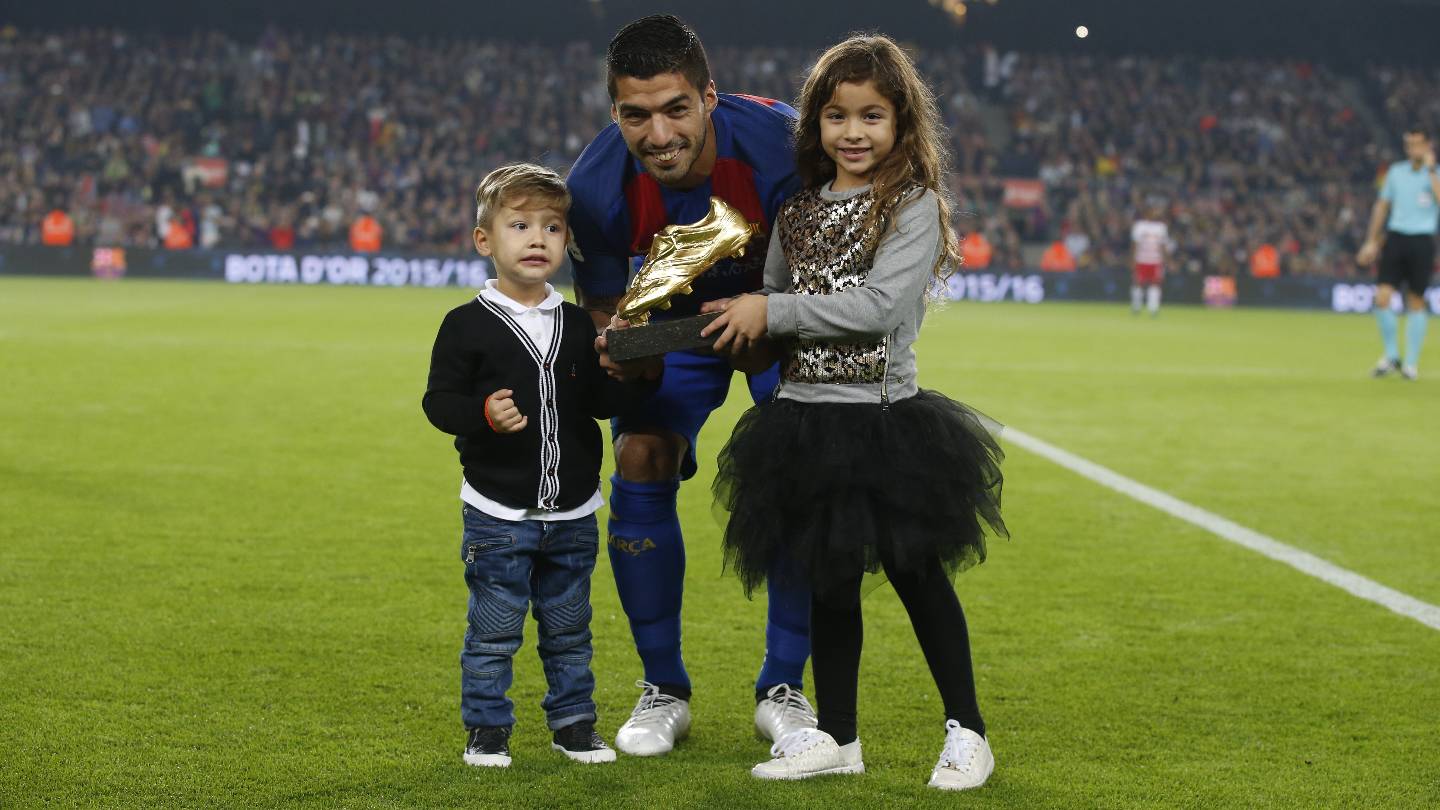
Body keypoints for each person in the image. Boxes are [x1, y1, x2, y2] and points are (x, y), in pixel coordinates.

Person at [701, 34, 1007, 790]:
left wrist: (767, 311)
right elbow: (771, 308)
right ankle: (838, 738)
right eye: (837, 116)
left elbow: (874, 308)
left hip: (881, 424)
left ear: (902, 121)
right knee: (828, 585)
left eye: (872, 115)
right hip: (803, 420)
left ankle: (968, 732)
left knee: (918, 578)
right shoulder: (799, 208)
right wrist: (729, 333)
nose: (855, 132)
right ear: (816, 126)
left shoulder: (913, 205)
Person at [566, 14, 815, 756]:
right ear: (615, 111)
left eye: (676, 108)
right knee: (640, 455)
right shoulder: (594, 187)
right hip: (675, 331)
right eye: (635, 114)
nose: (659, 133)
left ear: (710, 95)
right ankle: (663, 689)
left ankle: (784, 687)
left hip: (784, 312)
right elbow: (608, 318)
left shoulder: (786, 148)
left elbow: (837, 281)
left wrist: (769, 326)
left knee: (801, 468)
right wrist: (623, 359)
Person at [422, 164, 660, 769]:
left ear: (565, 242)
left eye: (552, 227)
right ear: (485, 240)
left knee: (569, 630)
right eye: (520, 225)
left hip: (574, 512)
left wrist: (638, 370)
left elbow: (603, 405)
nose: (537, 238)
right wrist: (481, 412)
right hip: (498, 514)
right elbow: (438, 403)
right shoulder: (465, 324)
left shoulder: (579, 324)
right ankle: (487, 728)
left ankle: (574, 726)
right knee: (494, 630)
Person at [1357, 127, 1436, 380]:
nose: (1413, 149)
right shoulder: (1395, 172)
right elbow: (1382, 206)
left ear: (1427, 146)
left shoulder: (1434, 174)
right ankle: (1391, 356)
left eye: (1417, 144)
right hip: (1396, 238)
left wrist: (1431, 169)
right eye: (1409, 144)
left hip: (1422, 241)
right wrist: (1371, 241)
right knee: (1382, 297)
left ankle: (1410, 364)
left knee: (1415, 301)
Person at [1130, 205, 1171, 316]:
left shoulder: (1161, 227)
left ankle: (1153, 308)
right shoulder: (1140, 226)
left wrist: (1166, 260)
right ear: (1147, 212)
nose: (1155, 213)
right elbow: (1135, 244)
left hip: (1156, 260)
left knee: (1155, 283)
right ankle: (1136, 307)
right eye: (1153, 211)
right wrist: (1133, 259)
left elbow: (1163, 245)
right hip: (1141, 259)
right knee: (1138, 283)